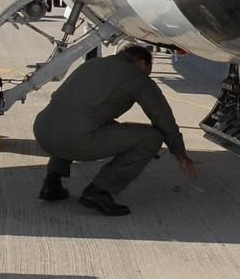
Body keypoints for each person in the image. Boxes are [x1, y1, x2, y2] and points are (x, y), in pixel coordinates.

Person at [32, 44, 196, 216]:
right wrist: (180, 154)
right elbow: (162, 118)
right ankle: (99, 192)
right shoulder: (135, 76)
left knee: (73, 118)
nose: (147, 75)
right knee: (152, 137)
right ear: (141, 63)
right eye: (148, 71)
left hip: (42, 131)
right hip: (75, 138)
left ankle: (51, 183)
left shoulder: (91, 65)